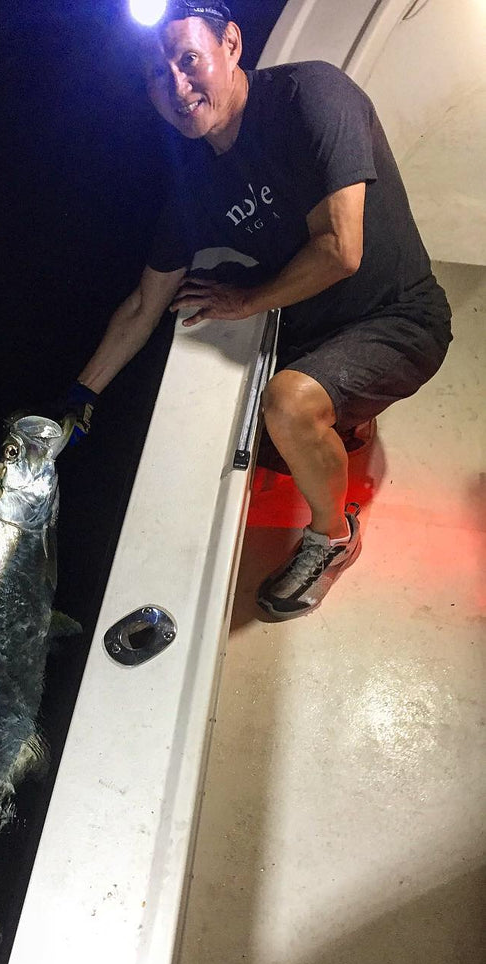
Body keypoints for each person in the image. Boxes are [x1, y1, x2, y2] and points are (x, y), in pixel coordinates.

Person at [65, 0, 451, 620]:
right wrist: (78, 398)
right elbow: (144, 302)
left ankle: (334, 536)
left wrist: (245, 299)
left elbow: (339, 250)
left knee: (286, 407)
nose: (178, 86)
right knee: (260, 447)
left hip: (398, 317)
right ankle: (349, 419)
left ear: (232, 45)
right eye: (158, 75)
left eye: (190, 60)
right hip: (310, 322)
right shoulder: (193, 179)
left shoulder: (311, 96)